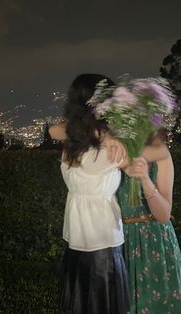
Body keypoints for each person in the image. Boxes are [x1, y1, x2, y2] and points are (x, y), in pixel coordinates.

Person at [53, 73, 130, 314]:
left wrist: (104, 134)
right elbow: (134, 155)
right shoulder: (110, 150)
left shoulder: (73, 143)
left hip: (77, 237)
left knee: (82, 304)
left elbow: (55, 130)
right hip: (103, 239)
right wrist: (110, 135)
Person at [116, 129, 181, 313]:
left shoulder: (161, 155)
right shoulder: (113, 151)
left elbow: (163, 215)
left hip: (155, 243)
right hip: (118, 242)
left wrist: (145, 180)